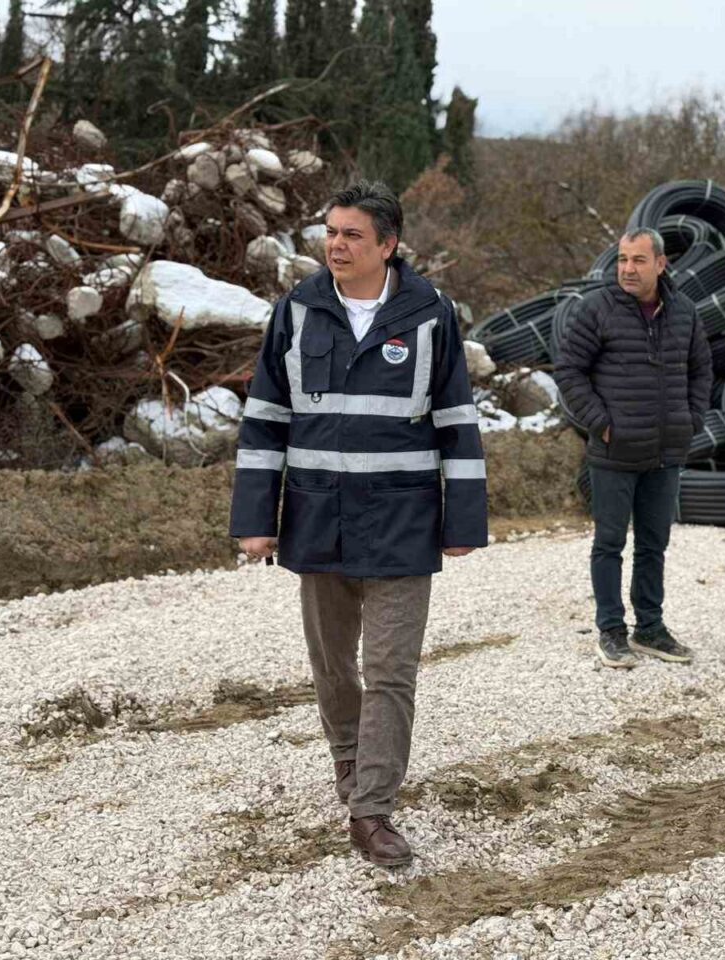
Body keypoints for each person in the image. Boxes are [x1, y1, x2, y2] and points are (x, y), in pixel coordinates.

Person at [230, 180, 487, 867]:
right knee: (332, 669)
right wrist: (257, 519)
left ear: (388, 246)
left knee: (391, 670)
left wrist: (463, 518)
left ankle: (372, 810)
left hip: (404, 521)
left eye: (351, 235)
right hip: (318, 518)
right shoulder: (298, 311)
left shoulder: (431, 313)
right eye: (331, 232)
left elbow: (457, 420)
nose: (335, 245)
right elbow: (266, 419)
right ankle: (350, 762)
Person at [554, 227, 712, 668]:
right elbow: (568, 371)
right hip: (614, 451)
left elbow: (701, 371)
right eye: (623, 259)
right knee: (609, 543)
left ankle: (651, 628)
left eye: (638, 260)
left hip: (665, 451)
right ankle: (611, 630)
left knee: (653, 543)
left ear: (661, 264)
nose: (627, 269)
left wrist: (691, 418)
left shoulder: (684, 312)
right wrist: (600, 423)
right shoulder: (596, 310)